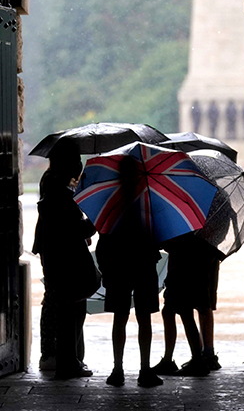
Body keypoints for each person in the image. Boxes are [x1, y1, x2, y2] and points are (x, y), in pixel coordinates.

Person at [95, 156, 164, 387]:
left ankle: (117, 369)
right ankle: (145, 369)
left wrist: (105, 267)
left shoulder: (109, 200)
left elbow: (103, 235)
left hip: (118, 265)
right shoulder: (149, 200)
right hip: (144, 263)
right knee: (144, 318)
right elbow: (158, 233)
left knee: (120, 318)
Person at [32, 140, 96, 379]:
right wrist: (95, 220)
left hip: (54, 255)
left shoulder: (51, 185)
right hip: (67, 259)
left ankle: (64, 358)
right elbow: (77, 229)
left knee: (62, 305)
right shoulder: (61, 193)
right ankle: (68, 361)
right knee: (70, 308)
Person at [153, 232, 222, 376]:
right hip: (189, 266)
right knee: (172, 311)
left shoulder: (183, 230)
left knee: (183, 312)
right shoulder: (197, 229)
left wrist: (164, 242)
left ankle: (195, 360)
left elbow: (173, 244)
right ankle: (175, 359)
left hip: (182, 268)